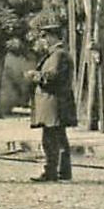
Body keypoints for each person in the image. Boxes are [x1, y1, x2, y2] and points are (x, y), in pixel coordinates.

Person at [26, 23, 76, 181]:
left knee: (52, 139)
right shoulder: (56, 54)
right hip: (53, 103)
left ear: (53, 37)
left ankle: (54, 172)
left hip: (54, 103)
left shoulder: (58, 55)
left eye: (45, 37)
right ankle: (60, 171)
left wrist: (36, 75)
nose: (43, 41)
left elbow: (52, 77)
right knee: (57, 138)